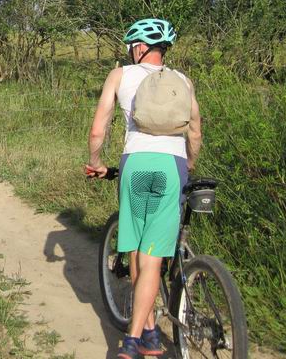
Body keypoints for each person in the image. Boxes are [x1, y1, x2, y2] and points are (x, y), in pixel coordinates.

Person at [84, 18, 202, 358]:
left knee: (137, 249)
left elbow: (98, 128)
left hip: (135, 164)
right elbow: (195, 133)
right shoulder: (183, 81)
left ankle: (132, 341)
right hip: (171, 166)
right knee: (150, 257)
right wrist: (188, 165)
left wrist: (96, 162)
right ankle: (149, 332)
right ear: (163, 49)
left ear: (138, 47)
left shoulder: (121, 75)